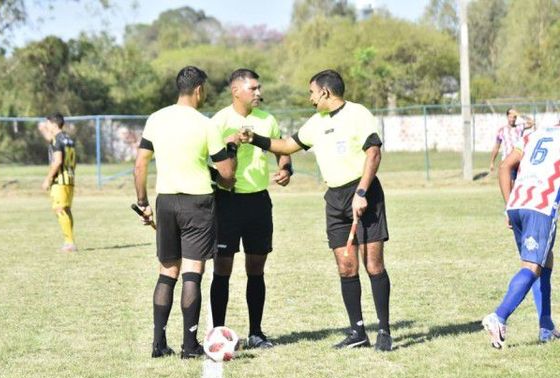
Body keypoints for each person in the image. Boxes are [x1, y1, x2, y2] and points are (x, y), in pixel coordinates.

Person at [241, 69, 392, 351]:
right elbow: (287, 145)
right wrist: (254, 139)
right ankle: (358, 332)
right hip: (334, 198)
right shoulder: (316, 123)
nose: (310, 98)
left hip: (364, 193)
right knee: (346, 267)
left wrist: (361, 191)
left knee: (373, 265)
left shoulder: (358, 113)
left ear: (325, 92)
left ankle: (384, 330)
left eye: (312, 93)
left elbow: (374, 153)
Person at [133, 66, 237, 359]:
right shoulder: (206, 125)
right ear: (199, 89)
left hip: (165, 201)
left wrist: (143, 203)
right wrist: (229, 158)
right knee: (192, 272)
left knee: (167, 272)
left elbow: (140, 165)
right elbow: (227, 173)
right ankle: (189, 346)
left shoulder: (156, 119)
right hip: (198, 203)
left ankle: (158, 343)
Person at [210, 68, 292, 349]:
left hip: (258, 201)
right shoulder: (219, 121)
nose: (259, 93)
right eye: (253, 88)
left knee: (256, 269)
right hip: (227, 202)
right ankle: (218, 332)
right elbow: (206, 160)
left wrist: (285, 168)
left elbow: (281, 149)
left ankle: (256, 332)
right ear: (236, 91)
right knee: (222, 267)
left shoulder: (267, 119)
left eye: (259, 88)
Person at [482, 119, 560, 348]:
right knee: (531, 266)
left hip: (517, 204)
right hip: (541, 207)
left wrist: (508, 205)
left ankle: (546, 325)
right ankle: (499, 316)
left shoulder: (534, 134)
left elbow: (505, 166)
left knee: (544, 260)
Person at [41, 112, 77, 253]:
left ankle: (69, 243)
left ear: (54, 124)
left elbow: (58, 161)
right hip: (69, 179)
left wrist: (48, 178)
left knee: (59, 209)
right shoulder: (68, 139)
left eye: (47, 123)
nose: (46, 125)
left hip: (59, 180)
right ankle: (70, 241)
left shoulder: (57, 140)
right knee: (66, 209)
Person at [489, 108, 534, 173]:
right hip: (506, 160)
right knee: (508, 181)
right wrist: (492, 162)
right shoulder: (501, 130)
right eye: (510, 117)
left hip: (518, 160)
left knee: (517, 181)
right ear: (507, 117)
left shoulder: (520, 127)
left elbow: (531, 123)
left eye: (514, 117)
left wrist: (519, 114)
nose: (512, 119)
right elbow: (496, 147)